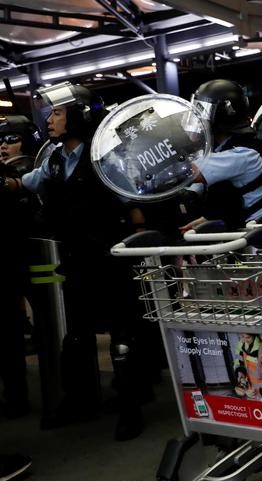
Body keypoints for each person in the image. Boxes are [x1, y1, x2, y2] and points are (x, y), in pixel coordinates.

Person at [14, 81, 150, 441]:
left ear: (79, 116)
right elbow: (28, 182)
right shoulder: (54, 158)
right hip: (75, 260)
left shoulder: (106, 155)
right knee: (75, 337)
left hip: (109, 258)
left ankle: (130, 407)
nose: (50, 119)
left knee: (122, 337)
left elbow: (134, 203)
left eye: (58, 112)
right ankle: (79, 401)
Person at [180, 79, 262, 232]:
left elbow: (192, 172)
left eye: (204, 110)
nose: (199, 117)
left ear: (224, 114)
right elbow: (229, 197)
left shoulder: (242, 153)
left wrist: (162, 154)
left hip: (253, 235)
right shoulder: (224, 148)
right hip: (243, 228)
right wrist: (208, 219)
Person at [0, 115, 42, 420]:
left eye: (11, 139)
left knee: (52, 321)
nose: (3, 145)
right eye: (1, 140)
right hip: (11, 260)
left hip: (42, 255)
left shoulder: (37, 171)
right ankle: (16, 396)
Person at [232, 333, 262, 401]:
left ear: (254, 336)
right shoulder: (241, 345)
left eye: (248, 337)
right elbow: (239, 364)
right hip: (250, 393)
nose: (245, 340)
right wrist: (242, 382)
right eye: (242, 337)